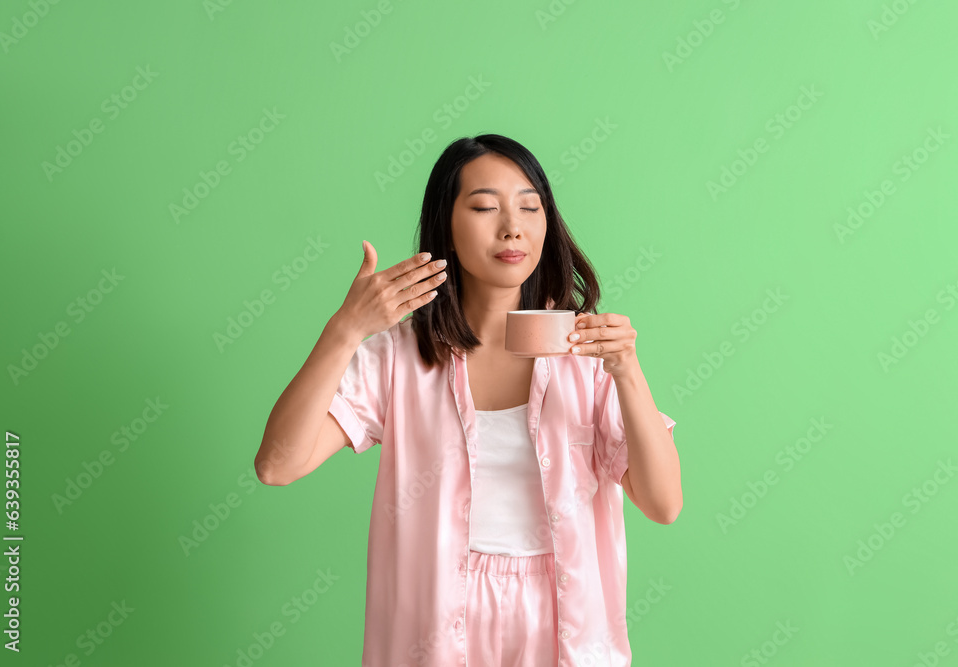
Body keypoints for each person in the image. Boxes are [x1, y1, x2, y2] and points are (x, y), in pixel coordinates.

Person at [254, 134, 682, 666]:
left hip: (565, 621)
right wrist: (345, 331)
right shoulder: (400, 356)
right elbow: (277, 464)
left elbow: (663, 504)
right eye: (484, 206)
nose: (512, 226)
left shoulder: (588, 351)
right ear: (447, 227)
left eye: (530, 206)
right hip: (435, 625)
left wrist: (627, 371)